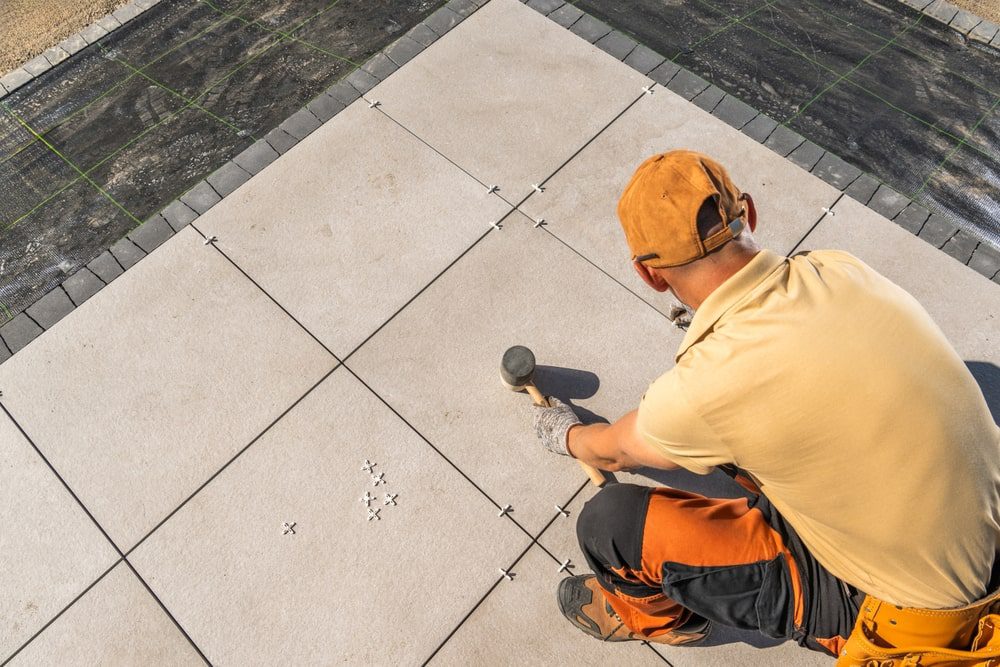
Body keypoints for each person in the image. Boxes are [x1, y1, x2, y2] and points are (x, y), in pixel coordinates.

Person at [531, 150, 1000, 662]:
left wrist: (567, 435)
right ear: (749, 213)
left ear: (650, 274)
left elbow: (616, 451)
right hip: (988, 535)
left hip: (904, 616)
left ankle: (654, 616)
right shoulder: (841, 270)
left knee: (608, 526)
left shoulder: (702, 388)